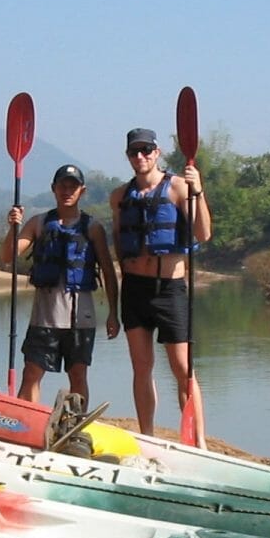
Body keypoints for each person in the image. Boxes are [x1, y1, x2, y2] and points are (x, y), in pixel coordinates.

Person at [109, 127, 212, 448]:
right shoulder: (119, 196)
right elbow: (118, 241)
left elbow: (203, 233)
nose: (140, 156)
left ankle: (198, 442)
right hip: (134, 290)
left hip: (169, 290)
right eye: (134, 151)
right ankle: (147, 436)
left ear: (157, 152)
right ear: (128, 156)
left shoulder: (179, 187)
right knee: (141, 367)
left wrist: (198, 192)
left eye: (146, 150)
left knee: (183, 369)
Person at [1, 164, 119, 406]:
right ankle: (27, 419)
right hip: (44, 317)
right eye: (62, 186)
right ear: (53, 188)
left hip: (81, 319)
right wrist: (13, 227)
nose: (67, 191)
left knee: (78, 374)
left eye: (72, 187)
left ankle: (76, 421)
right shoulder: (38, 223)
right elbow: (8, 255)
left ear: (82, 191)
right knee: (31, 373)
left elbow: (108, 272)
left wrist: (113, 314)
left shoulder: (93, 228)